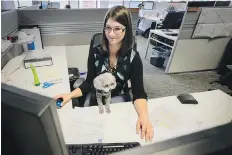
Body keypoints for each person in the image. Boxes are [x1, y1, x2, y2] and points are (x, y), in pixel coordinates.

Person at [54, 6, 153, 142]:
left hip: (120, 103)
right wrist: (69, 95)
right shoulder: (96, 52)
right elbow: (89, 83)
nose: (111, 34)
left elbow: (139, 93)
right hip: (98, 100)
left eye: (117, 28)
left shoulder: (133, 58)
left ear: (126, 30)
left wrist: (144, 117)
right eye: (108, 28)